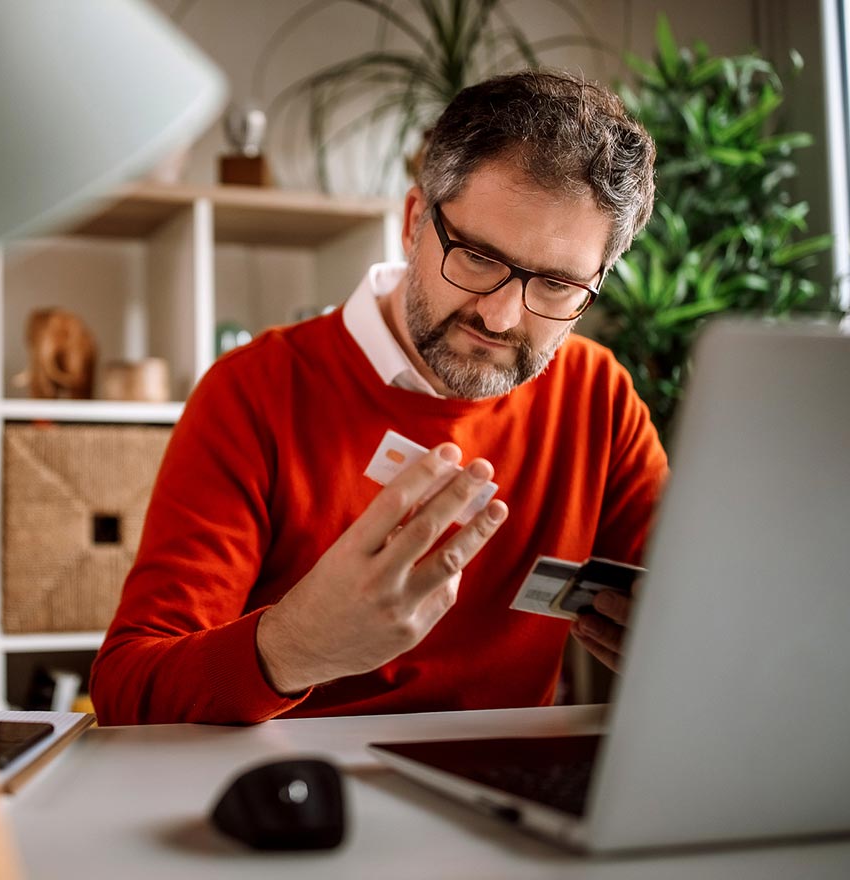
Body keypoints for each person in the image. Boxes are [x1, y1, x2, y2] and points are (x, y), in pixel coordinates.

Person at [90, 70, 667, 725]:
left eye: (558, 285)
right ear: (415, 221)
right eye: (477, 257)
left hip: (504, 805)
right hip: (299, 801)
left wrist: (688, 648)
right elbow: (125, 691)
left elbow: (693, 611)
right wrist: (293, 649)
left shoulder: (598, 397)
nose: (502, 316)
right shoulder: (254, 391)